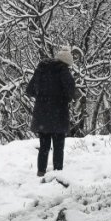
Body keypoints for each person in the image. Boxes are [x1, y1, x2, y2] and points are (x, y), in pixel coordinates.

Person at [26, 45, 78, 176]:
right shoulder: (64, 72)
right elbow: (71, 93)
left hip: (42, 115)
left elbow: (30, 90)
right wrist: (62, 98)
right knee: (58, 147)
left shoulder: (41, 69)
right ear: (66, 62)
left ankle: (41, 172)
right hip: (58, 115)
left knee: (44, 146)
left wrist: (43, 96)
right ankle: (57, 172)